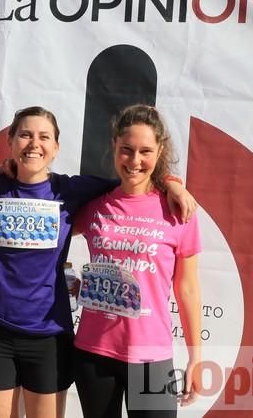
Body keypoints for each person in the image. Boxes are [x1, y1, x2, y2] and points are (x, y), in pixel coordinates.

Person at [0, 105, 196, 418]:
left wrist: (171, 182)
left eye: (44, 136)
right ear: (10, 141)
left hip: (56, 337)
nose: (34, 143)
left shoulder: (75, 192)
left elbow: (133, 183)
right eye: (25, 135)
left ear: (56, 147)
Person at [73, 104, 202, 418]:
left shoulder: (178, 210)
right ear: (114, 147)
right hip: (93, 351)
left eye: (145, 151)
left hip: (151, 355)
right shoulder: (93, 205)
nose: (134, 161)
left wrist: (196, 357)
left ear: (160, 151)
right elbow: (48, 247)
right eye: (126, 150)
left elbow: (187, 288)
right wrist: (71, 284)